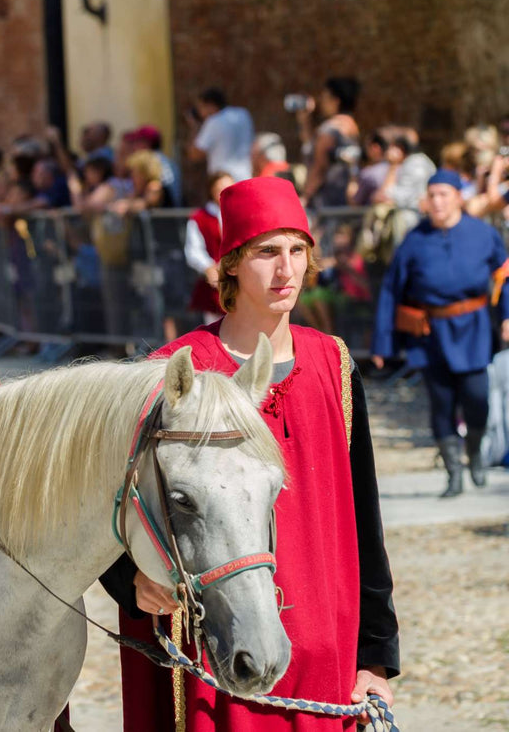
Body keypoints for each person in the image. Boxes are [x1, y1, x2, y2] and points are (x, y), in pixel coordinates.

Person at [102, 176, 399, 731]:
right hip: (211, 646)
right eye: (267, 252)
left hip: (326, 650)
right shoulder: (174, 372)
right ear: (231, 264)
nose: (286, 270)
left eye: (297, 250)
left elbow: (366, 519)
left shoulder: (332, 364)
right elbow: (107, 503)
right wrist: (127, 580)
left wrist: (376, 658)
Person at [371, 170, 509, 497]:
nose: (437, 201)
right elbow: (392, 290)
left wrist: (507, 315)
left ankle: (474, 451)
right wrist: (383, 342)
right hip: (430, 334)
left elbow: (505, 276)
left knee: (477, 399)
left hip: (474, 329)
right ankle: (454, 474)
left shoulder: (482, 234)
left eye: (443, 194)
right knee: (441, 404)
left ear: (459, 197)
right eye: (431, 195)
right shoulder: (414, 241)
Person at [296, 76, 362, 207]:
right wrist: (305, 121)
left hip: (323, 202)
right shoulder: (351, 126)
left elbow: (320, 167)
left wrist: (305, 197)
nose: (321, 101)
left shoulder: (329, 130)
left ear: (336, 101)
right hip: (342, 198)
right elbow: (312, 145)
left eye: (325, 97)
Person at [184, 171, 232, 324]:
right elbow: (193, 250)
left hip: (240, 279)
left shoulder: (240, 214)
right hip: (215, 282)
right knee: (215, 328)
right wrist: (209, 267)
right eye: (220, 189)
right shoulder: (201, 217)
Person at [186, 87, 254, 182]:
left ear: (210, 105)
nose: (200, 114)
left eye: (201, 107)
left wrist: (194, 127)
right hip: (246, 176)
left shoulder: (213, 121)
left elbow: (195, 154)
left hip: (223, 181)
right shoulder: (243, 114)